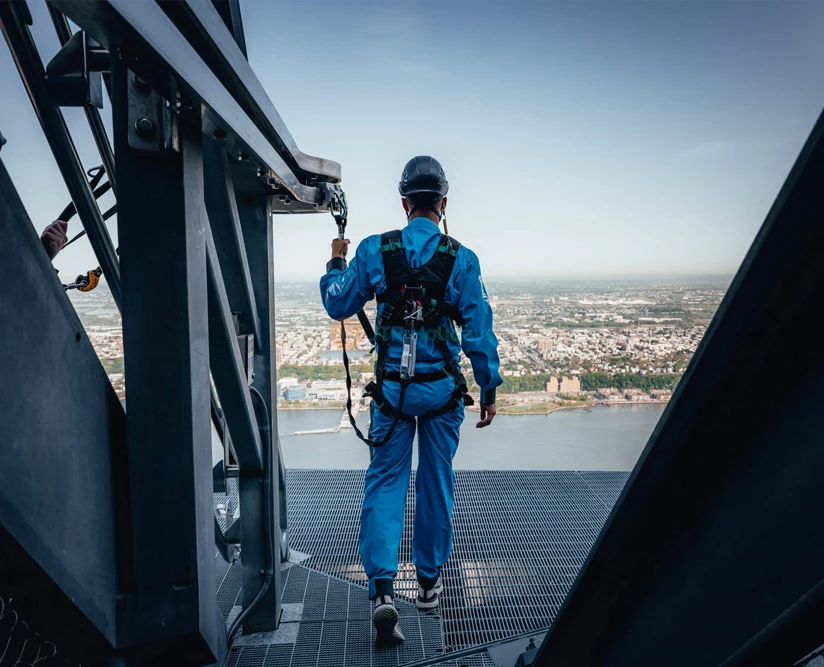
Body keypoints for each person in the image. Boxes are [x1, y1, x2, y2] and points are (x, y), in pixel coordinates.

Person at [319, 156, 502, 646]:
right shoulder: (462, 259)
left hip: (393, 395)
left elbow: (338, 302)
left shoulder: (376, 250)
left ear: (404, 203)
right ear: (443, 204)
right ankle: (427, 586)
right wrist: (488, 387)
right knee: (435, 482)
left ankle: (382, 591)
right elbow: (479, 334)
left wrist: (336, 262)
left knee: (385, 483)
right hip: (441, 394)